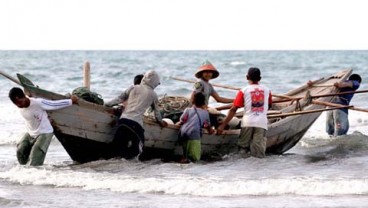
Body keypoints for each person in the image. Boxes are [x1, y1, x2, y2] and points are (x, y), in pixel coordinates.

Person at [8, 87, 78, 166]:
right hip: (31, 133)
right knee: (20, 151)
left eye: (20, 102)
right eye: (16, 104)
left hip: (44, 132)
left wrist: (71, 101)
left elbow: (54, 104)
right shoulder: (21, 107)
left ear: (24, 96)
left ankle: (35, 171)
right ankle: (25, 172)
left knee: (35, 157)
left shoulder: (37, 103)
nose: (19, 105)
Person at [217, 67, 272, 158]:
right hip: (261, 123)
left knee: (242, 150)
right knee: (258, 153)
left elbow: (233, 109)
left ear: (247, 77)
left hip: (247, 123)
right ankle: (258, 171)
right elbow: (269, 106)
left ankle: (243, 170)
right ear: (260, 78)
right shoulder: (267, 90)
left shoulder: (243, 90)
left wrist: (223, 125)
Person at [116, 70, 167, 158]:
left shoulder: (133, 87)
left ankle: (118, 166)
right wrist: (161, 123)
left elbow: (118, 99)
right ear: (155, 82)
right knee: (139, 150)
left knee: (119, 149)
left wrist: (106, 105)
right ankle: (133, 169)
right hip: (135, 125)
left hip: (122, 122)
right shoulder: (153, 95)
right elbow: (157, 115)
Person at [191, 60, 234, 127]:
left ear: (212, 73)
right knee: (220, 121)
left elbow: (219, 99)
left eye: (209, 72)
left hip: (205, 109)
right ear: (202, 73)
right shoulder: (199, 83)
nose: (208, 74)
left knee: (223, 118)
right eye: (206, 72)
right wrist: (202, 108)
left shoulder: (209, 86)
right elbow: (193, 98)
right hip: (199, 110)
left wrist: (235, 100)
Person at [177, 92, 214, 163]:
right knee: (195, 159)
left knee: (185, 154)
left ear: (192, 101)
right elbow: (206, 125)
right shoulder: (205, 113)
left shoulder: (187, 110)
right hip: (194, 135)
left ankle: (183, 163)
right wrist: (210, 131)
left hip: (183, 133)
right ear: (203, 102)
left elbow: (182, 121)